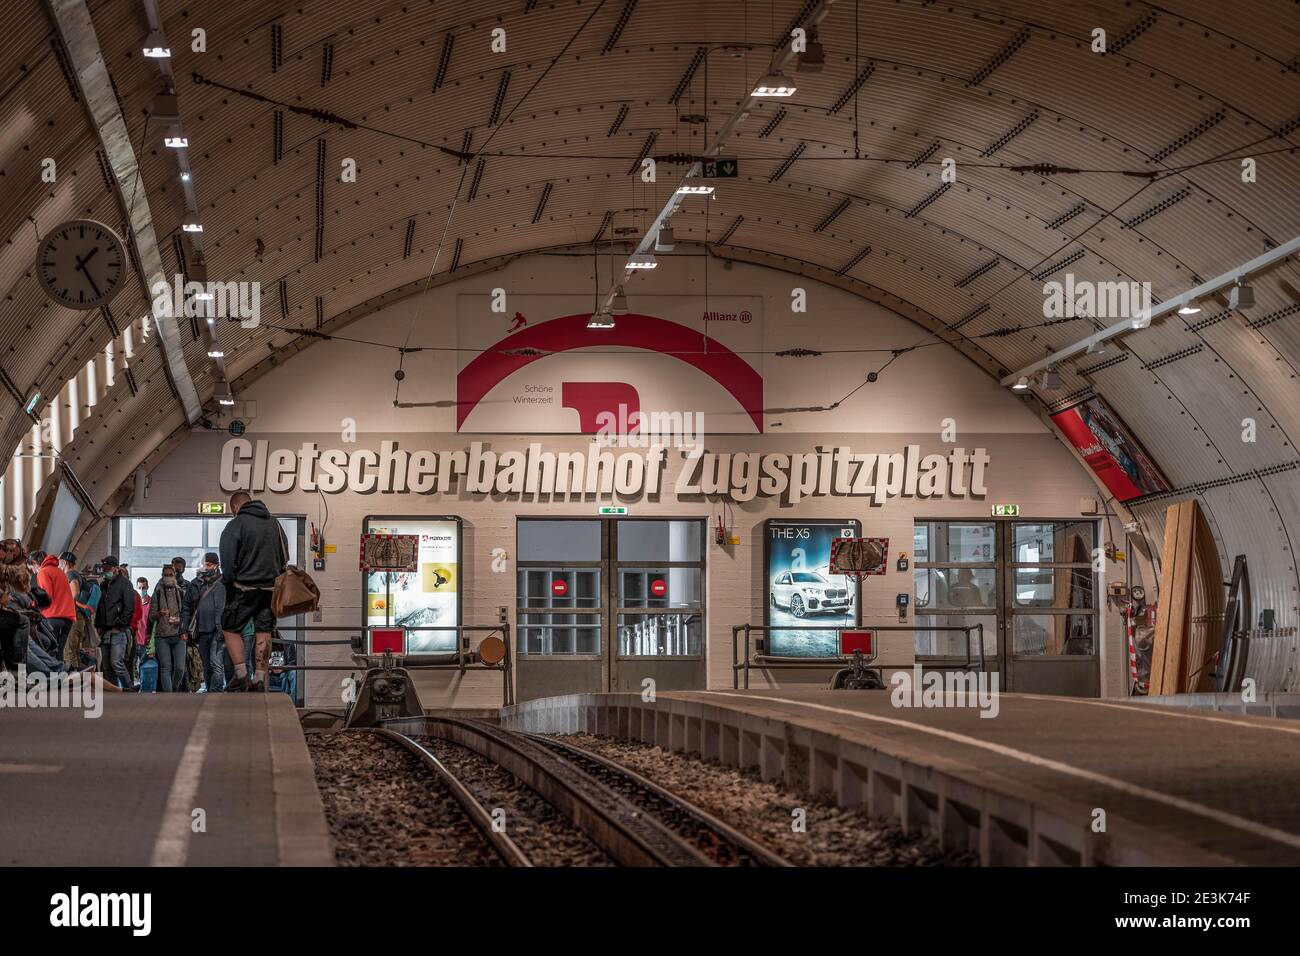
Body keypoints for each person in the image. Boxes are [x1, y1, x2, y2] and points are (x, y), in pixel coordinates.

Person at [218, 492, 286, 692]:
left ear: (234, 508)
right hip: (270, 590)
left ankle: (240, 674)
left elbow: (227, 562)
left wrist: (228, 581)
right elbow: (284, 555)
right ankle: (259, 678)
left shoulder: (235, 525)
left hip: (243, 589)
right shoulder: (275, 525)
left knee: (230, 628)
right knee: (263, 631)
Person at [94, 556, 136, 690]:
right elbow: (100, 607)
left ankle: (128, 688)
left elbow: (129, 607)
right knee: (106, 666)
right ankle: (115, 691)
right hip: (105, 630)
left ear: (115, 568)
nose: (106, 571)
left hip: (119, 631)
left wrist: (119, 625)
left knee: (116, 662)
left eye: (108, 569)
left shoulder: (125, 584)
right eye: (104, 569)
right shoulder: (104, 584)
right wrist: (99, 625)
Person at [187, 552, 226, 693]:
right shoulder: (199, 583)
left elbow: (219, 608)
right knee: (206, 664)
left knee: (216, 663)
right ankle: (210, 689)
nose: (205, 567)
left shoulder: (221, 583)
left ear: (217, 566)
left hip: (217, 630)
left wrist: (220, 629)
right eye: (204, 564)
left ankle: (216, 690)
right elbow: (190, 606)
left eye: (209, 565)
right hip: (202, 630)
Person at [149, 565, 186, 692]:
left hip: (179, 635)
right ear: (162, 576)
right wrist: (160, 613)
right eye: (166, 575)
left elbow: (187, 613)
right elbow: (151, 616)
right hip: (162, 636)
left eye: (171, 575)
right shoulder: (158, 592)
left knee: (180, 668)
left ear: (175, 576)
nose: (169, 577)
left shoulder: (181, 592)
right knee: (165, 668)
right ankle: (168, 696)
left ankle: (175, 688)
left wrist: (183, 625)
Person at [35, 550, 75, 658]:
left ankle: (51, 674)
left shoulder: (43, 572)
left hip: (53, 616)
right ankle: (60, 674)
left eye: (32, 568)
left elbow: (46, 595)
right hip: (68, 617)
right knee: (59, 652)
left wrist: (35, 605)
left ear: (35, 563)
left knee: (49, 651)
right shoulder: (59, 571)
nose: (34, 572)